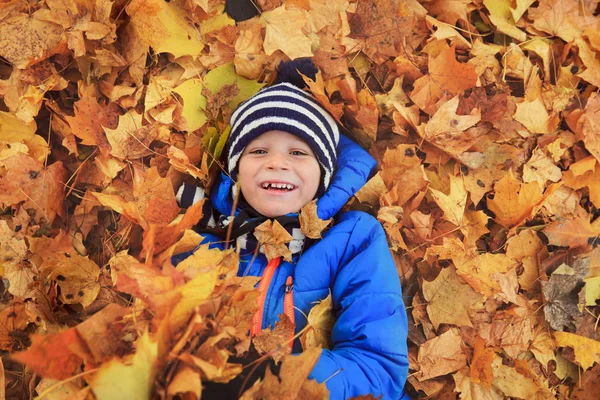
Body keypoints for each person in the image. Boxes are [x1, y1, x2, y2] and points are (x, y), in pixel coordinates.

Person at [173, 60, 410, 399]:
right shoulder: (198, 245)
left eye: (298, 152)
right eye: (258, 151)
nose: (277, 162)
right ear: (236, 171)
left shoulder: (352, 239)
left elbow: (377, 364)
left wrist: (282, 377)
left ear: (323, 177)